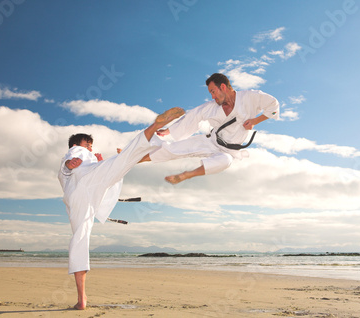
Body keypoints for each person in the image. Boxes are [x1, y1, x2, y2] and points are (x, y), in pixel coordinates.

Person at [57, 107, 184, 310]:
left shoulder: (88, 157)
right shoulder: (75, 151)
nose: (89, 147)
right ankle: (147, 136)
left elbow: (93, 171)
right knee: (121, 161)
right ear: (75, 144)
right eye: (86, 144)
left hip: (89, 190)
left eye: (90, 145)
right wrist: (69, 165)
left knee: (80, 240)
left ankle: (82, 299)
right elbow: (64, 170)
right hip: (82, 190)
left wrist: (101, 163)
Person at [139, 73, 279, 184]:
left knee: (226, 161)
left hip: (230, 151)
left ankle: (187, 175)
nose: (212, 96)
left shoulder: (250, 97)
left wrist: (255, 120)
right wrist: (169, 130)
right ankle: (135, 158)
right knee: (174, 149)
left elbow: (273, 105)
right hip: (211, 141)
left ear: (223, 87)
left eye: (213, 91)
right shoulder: (211, 107)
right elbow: (193, 115)